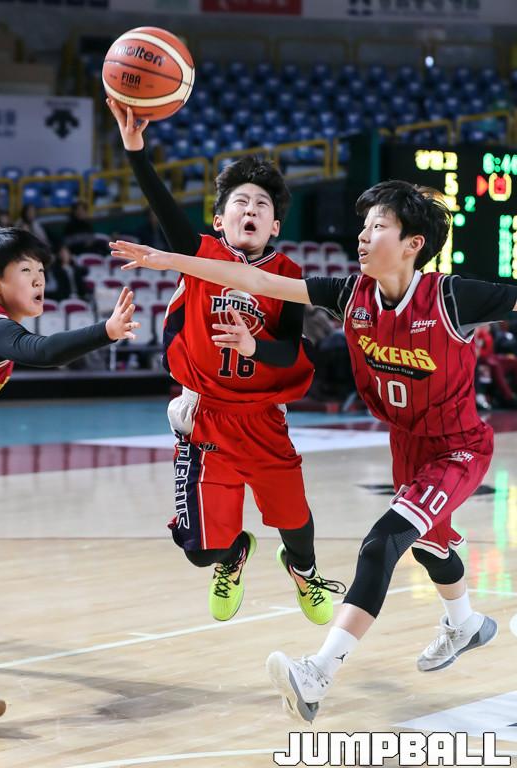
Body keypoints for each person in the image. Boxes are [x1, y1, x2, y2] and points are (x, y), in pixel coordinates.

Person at [112, 179, 517, 721]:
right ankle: (464, 623)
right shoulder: (350, 294)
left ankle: (317, 673)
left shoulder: (451, 297)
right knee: (429, 545)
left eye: (378, 227)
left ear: (413, 244)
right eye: (363, 226)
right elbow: (256, 279)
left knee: (381, 544)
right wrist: (172, 260)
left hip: (457, 447)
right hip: (406, 443)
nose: (363, 236)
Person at [107, 98, 344, 626]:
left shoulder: (288, 275)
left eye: (262, 204)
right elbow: (163, 205)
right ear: (219, 220)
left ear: (275, 225)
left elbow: (291, 350)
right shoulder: (200, 255)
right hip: (206, 417)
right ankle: (233, 554)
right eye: (241, 201)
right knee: (200, 551)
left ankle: (303, 570)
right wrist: (136, 151)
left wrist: (253, 347)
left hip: (262, 418)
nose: (251, 209)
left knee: (294, 522)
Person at [0, 222, 138, 730]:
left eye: (40, 270)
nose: (39, 279)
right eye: (25, 271)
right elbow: (43, 352)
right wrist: (104, 332)